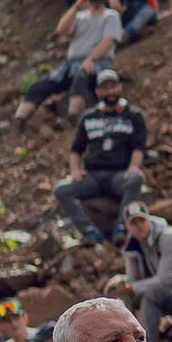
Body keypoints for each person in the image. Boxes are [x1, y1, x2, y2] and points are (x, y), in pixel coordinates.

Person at [51, 69, 146, 244]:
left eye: (113, 86)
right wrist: (75, 170)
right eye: (105, 88)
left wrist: (134, 167)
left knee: (135, 180)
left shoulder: (134, 115)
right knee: (61, 190)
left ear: (119, 87)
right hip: (93, 175)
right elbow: (76, 149)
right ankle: (89, 231)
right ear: (98, 92)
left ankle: (122, 228)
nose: (110, 92)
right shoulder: (89, 116)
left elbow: (139, 146)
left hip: (119, 173)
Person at [13, 0, 121, 131]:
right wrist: (76, 6)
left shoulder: (111, 16)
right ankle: (20, 120)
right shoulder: (80, 16)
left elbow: (108, 41)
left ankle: (72, 117)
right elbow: (61, 30)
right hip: (71, 64)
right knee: (39, 86)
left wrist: (91, 59)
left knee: (80, 79)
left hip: (97, 63)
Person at [113, 202, 172, 342]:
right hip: (170, 292)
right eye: (133, 222)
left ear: (149, 220)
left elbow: (165, 279)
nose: (139, 226)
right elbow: (133, 281)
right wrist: (127, 289)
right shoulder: (131, 247)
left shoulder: (168, 237)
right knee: (124, 298)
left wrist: (133, 287)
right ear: (127, 227)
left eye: (142, 220)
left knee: (151, 297)